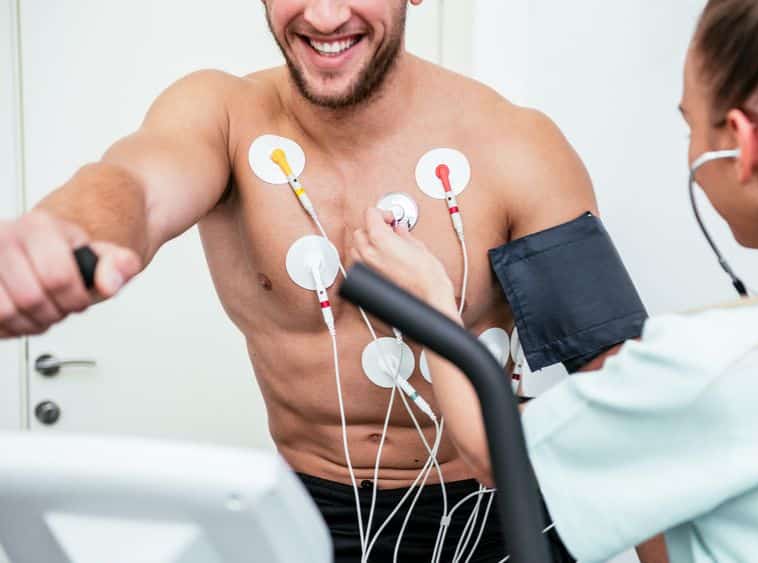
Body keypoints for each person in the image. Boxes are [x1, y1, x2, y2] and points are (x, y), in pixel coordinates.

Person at [0, 1, 663, 561]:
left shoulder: (516, 148)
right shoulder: (223, 117)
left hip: (495, 513)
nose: (322, 15)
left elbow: (627, 415)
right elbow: (133, 186)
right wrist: (66, 229)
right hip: (307, 515)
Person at [353, 0, 758, 561]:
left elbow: (503, 455)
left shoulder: (717, 364)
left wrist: (432, 306)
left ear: (740, 145)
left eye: (691, 123)